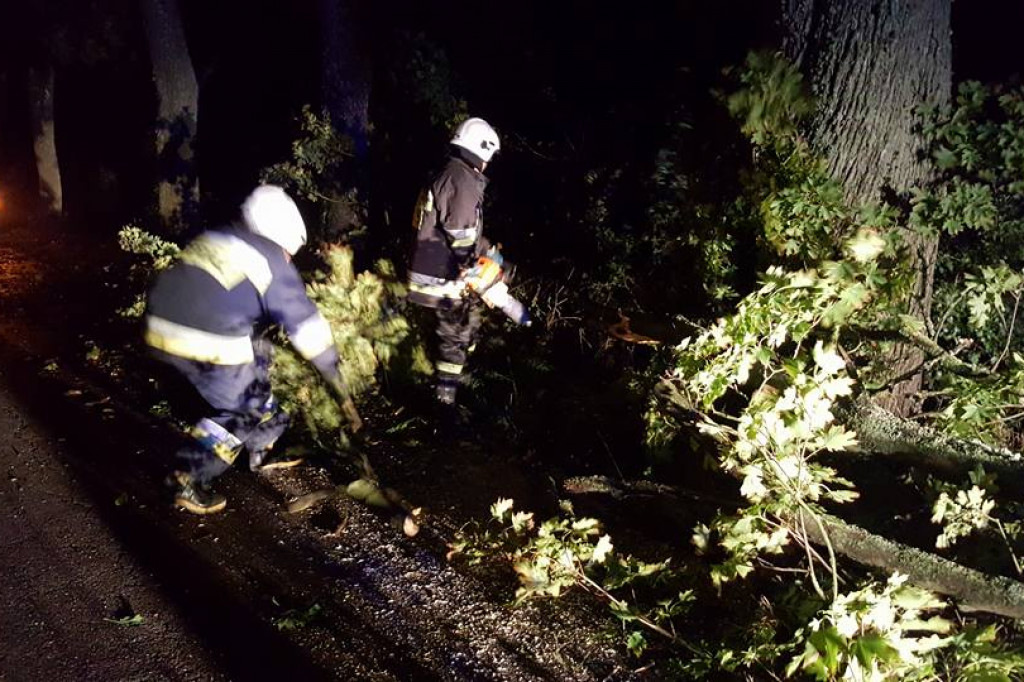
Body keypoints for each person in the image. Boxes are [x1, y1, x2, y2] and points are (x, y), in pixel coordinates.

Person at [144, 185, 361, 514]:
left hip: (158, 326)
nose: (289, 258)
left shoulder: (218, 238)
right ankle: (188, 474)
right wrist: (334, 376)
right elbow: (306, 326)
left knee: (256, 370)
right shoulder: (270, 257)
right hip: (204, 337)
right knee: (244, 409)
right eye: (290, 251)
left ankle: (263, 446)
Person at [406, 117, 502, 406]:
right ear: (483, 150)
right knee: (455, 339)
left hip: (437, 270)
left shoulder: (452, 174)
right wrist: (478, 268)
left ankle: (455, 384)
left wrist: (487, 252)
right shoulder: (461, 179)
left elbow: (460, 230)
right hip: (442, 276)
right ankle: (444, 405)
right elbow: (460, 235)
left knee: (466, 328)